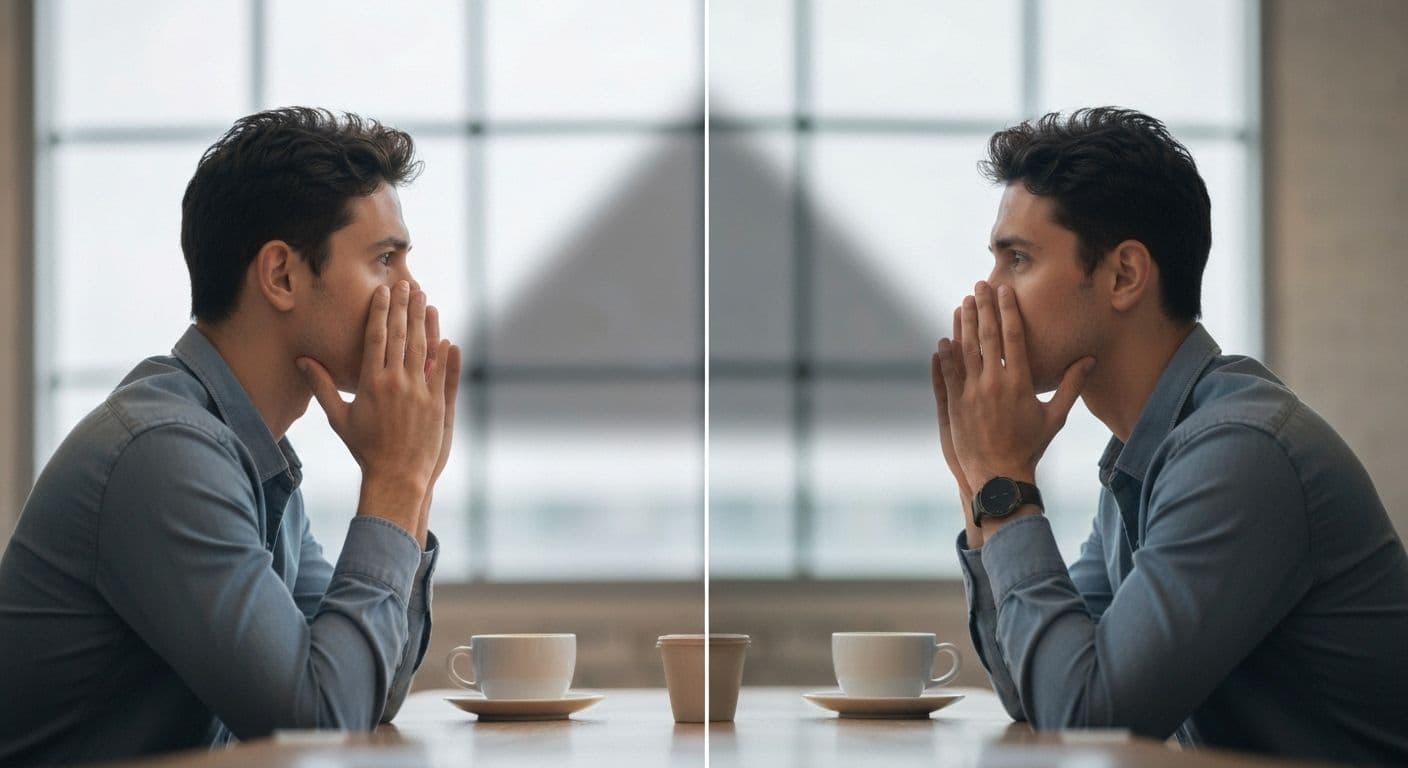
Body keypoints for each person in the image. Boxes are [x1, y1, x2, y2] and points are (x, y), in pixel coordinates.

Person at [931, 107, 1408, 764]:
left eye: (1019, 259)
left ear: (1125, 274)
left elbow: (1087, 718)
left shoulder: (1239, 454)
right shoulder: (1145, 458)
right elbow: (1038, 690)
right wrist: (980, 483)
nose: (989, 290)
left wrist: (1005, 480)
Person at [0, 107, 462, 765]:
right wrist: (397, 478)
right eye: (385, 259)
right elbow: (320, 718)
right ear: (280, 276)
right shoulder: (162, 454)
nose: (412, 293)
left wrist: (410, 486)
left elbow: (368, 689)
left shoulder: (251, 456)